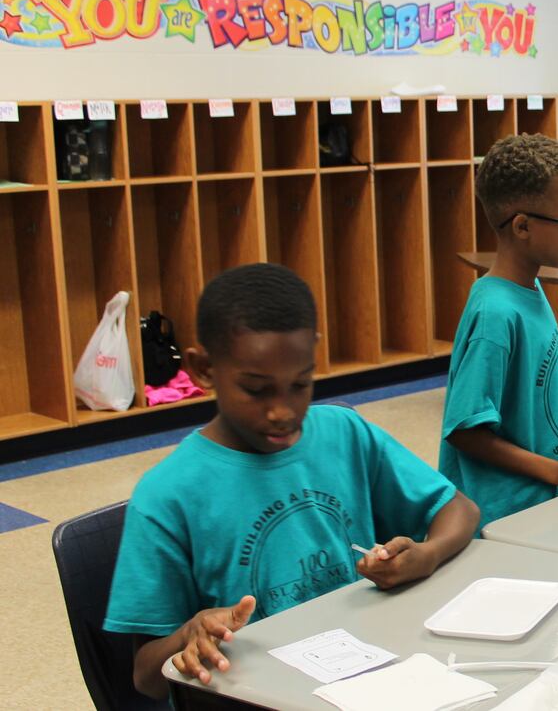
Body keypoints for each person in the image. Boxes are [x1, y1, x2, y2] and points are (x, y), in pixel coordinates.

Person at [103, 264, 479, 699]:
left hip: (369, 677)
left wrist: (425, 555)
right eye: (257, 389)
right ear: (203, 369)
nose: (282, 411)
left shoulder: (343, 432)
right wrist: (187, 636)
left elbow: (460, 510)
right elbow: (146, 677)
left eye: (299, 384)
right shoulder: (166, 495)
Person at [439, 134, 558, 528]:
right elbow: (465, 430)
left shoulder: (530, 286)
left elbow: (519, 379)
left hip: (537, 501)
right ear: (523, 226)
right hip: (504, 515)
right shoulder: (494, 313)